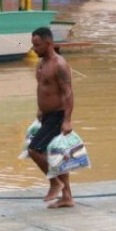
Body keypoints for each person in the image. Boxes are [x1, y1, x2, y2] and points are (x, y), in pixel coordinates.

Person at [26, 27, 76, 208]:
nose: (34, 49)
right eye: (33, 44)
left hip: (58, 116)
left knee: (35, 150)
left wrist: (68, 119)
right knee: (57, 155)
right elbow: (43, 88)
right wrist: (40, 109)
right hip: (46, 115)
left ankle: (55, 182)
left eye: (37, 45)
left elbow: (68, 93)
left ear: (48, 44)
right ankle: (67, 197)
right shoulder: (41, 63)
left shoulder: (59, 64)